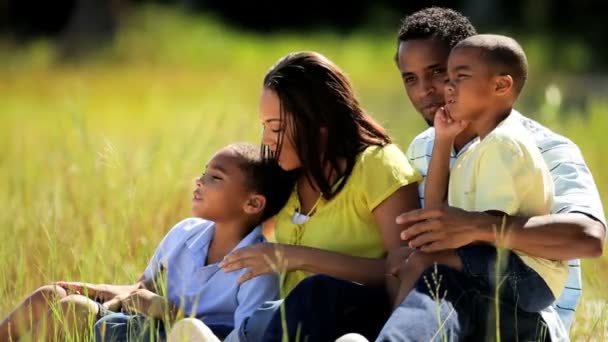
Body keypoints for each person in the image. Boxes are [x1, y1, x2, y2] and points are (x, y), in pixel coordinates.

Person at [377, 7, 605, 342]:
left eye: (442, 73)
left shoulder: (541, 147)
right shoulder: (423, 147)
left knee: (436, 274)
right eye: (410, 78)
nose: (426, 89)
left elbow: (588, 237)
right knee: (323, 293)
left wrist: (476, 226)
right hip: (445, 296)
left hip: (523, 314)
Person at [170, 51, 422, 342]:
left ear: (319, 122)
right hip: (287, 320)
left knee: (315, 292)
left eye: (276, 127)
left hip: (358, 315)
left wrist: (296, 257)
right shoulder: (287, 176)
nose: (265, 139)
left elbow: (405, 270)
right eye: (264, 126)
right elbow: (241, 230)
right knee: (246, 320)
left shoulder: (379, 165)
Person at [0, 142, 292, 341]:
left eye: (215, 177)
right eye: (204, 173)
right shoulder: (185, 232)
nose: (199, 181)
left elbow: (242, 337)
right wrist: (97, 289)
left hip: (174, 334)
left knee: (76, 308)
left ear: (252, 203)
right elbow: (141, 289)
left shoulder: (259, 266)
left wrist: (164, 309)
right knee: (49, 295)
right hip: (143, 323)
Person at [392, 34, 568, 319]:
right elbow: (437, 211)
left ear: (500, 85)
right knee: (408, 259)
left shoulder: (504, 144)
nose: (447, 87)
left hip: (529, 274)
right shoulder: (479, 148)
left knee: (421, 262)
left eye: (459, 76)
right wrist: (443, 140)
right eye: (447, 77)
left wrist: (429, 249)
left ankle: (392, 333)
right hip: (498, 262)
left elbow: (484, 230)